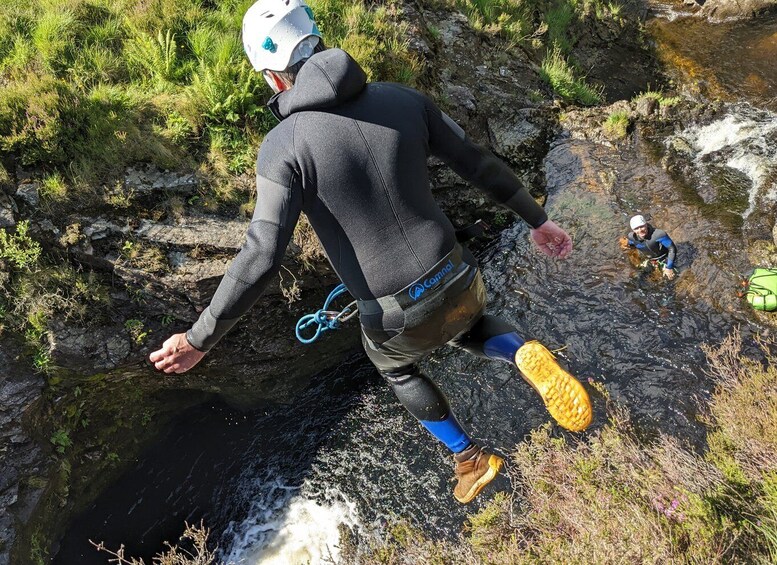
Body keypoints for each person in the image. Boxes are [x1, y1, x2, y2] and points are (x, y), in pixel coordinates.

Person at [149, 0, 592, 504]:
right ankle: (519, 351)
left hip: (396, 314)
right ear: (318, 39)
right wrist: (538, 220)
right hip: (459, 273)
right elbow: (479, 163)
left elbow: (261, 255)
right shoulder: (403, 99)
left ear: (273, 77)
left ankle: (469, 458)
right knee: (464, 324)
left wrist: (200, 338)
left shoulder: (283, 146)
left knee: (396, 366)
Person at [620, 215, 677, 280]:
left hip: (665, 258)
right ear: (633, 230)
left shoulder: (658, 234)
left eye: (642, 226)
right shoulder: (632, 237)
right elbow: (629, 244)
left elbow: (672, 249)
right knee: (635, 277)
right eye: (636, 228)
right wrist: (625, 246)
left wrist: (669, 267)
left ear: (646, 224)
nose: (640, 230)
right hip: (649, 260)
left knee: (669, 278)